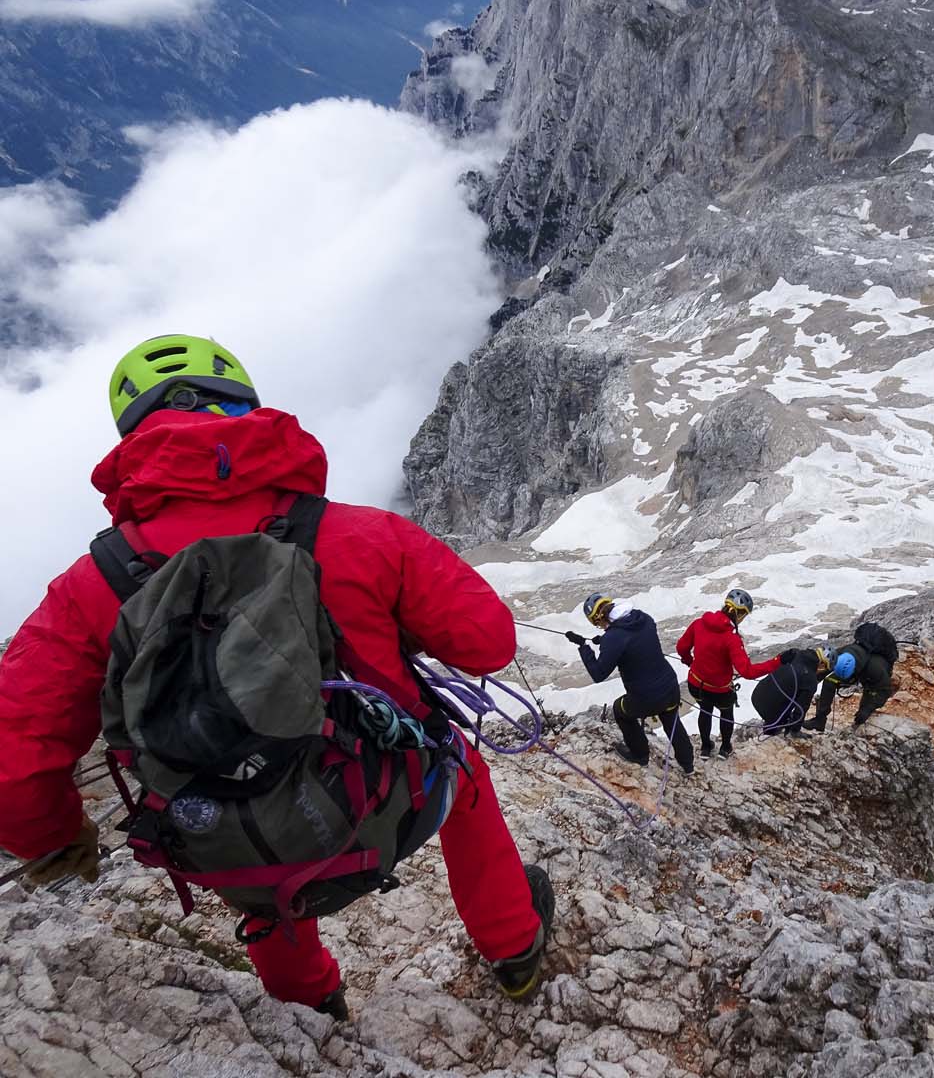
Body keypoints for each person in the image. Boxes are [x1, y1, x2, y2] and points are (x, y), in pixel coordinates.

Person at [0, 334, 554, 1014]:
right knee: (462, 770)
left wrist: (58, 840)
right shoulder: (362, 534)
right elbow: (489, 642)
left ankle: (309, 1002)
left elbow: (13, 760)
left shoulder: (90, 587)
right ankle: (515, 949)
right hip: (379, 809)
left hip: (212, 844)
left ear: (131, 439)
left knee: (245, 831)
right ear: (247, 410)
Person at [571, 594, 694, 774]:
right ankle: (688, 764)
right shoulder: (642, 617)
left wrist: (584, 647)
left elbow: (598, 673)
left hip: (645, 698)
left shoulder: (614, 638)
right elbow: (631, 639)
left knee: (620, 711)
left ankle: (640, 755)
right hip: (669, 686)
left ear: (598, 619)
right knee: (670, 719)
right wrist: (606, 639)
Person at [676, 588, 781, 758]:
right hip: (719, 690)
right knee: (726, 714)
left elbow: (681, 648)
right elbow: (747, 671)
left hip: (696, 683)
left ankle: (705, 747)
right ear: (741, 615)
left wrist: (690, 662)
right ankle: (725, 748)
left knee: (705, 710)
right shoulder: (731, 638)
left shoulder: (699, 623)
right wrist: (777, 662)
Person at [803, 623, 896, 732]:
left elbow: (884, 690)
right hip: (856, 666)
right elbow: (825, 667)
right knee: (829, 681)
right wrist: (811, 680)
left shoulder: (876, 669)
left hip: (871, 678)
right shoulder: (842, 654)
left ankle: (858, 725)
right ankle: (819, 720)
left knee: (868, 699)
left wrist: (867, 709)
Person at [751, 647, 833, 737]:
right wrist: (795, 730)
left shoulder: (796, 653)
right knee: (782, 715)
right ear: (821, 664)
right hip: (770, 711)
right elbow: (801, 708)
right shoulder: (810, 680)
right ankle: (771, 732)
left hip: (757, 694)